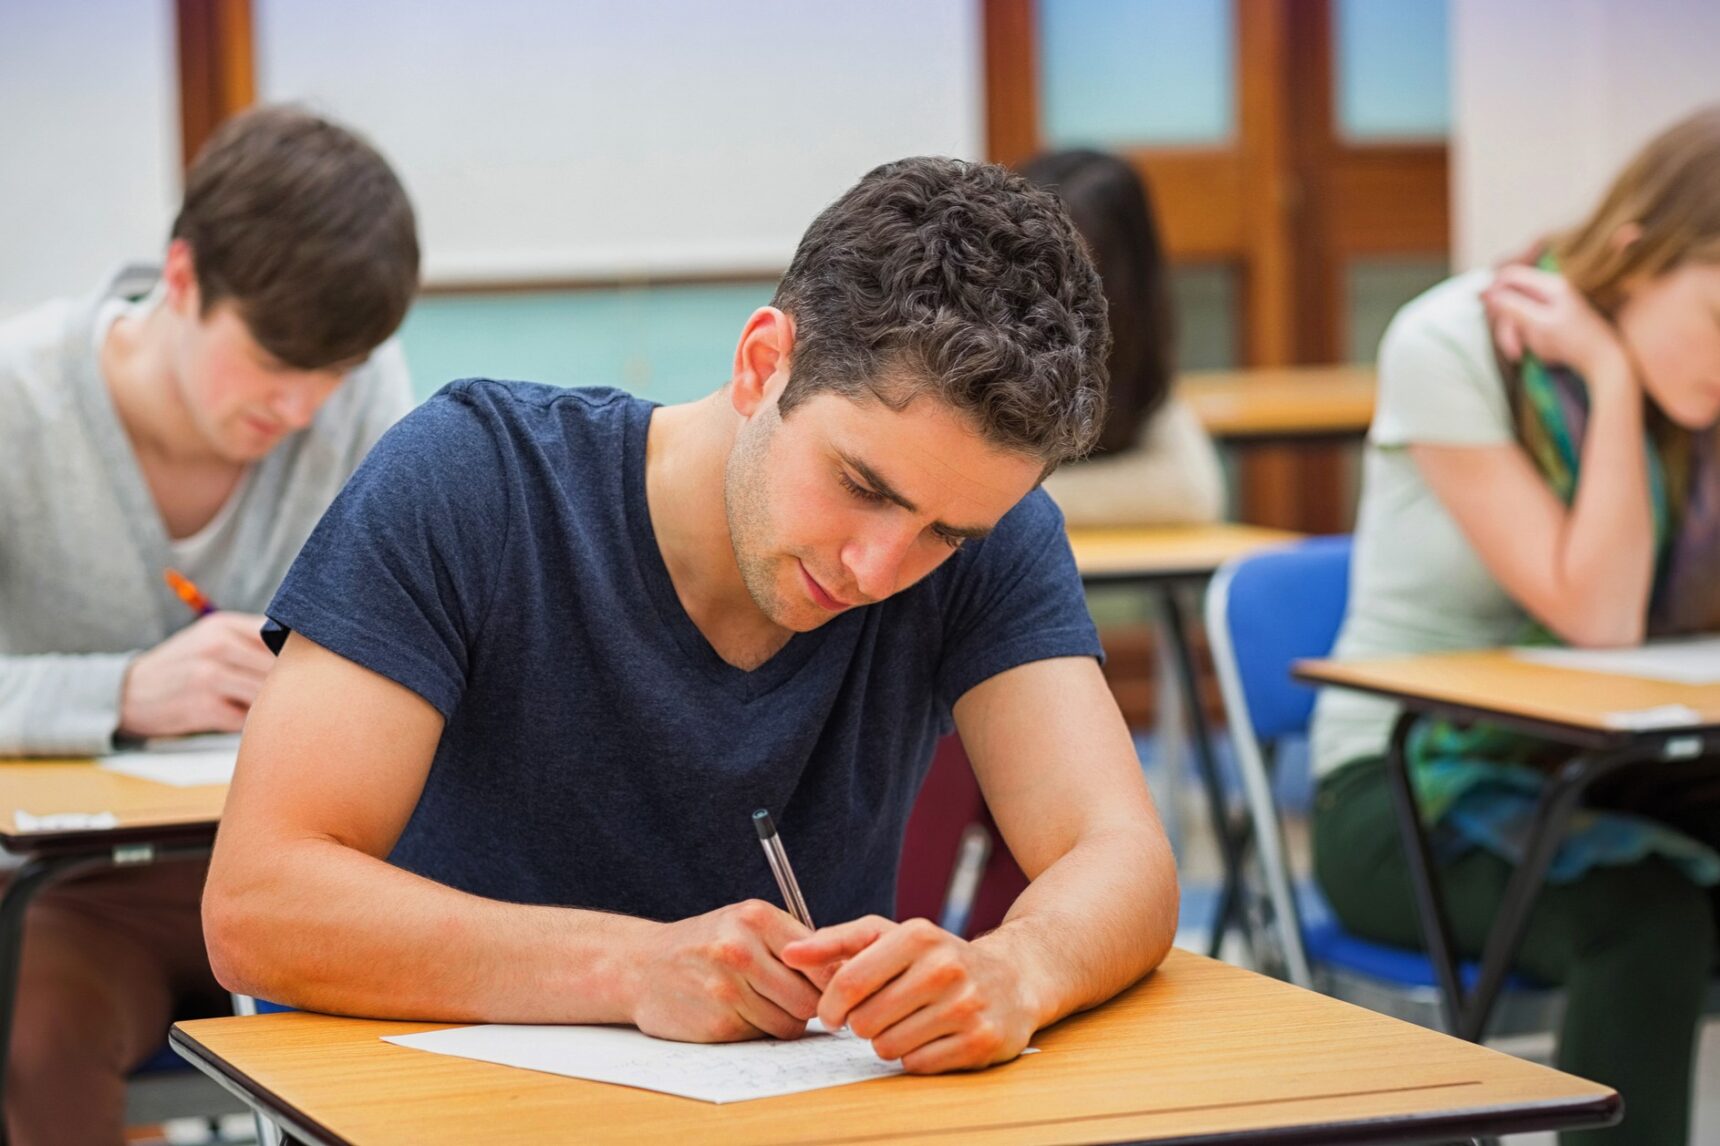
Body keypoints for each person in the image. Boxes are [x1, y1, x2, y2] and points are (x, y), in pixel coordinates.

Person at [203, 156, 1179, 1073]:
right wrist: (628, 970)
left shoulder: (990, 541)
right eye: (860, 485)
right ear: (763, 364)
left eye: (943, 534)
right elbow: (259, 904)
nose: (880, 567)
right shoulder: (473, 480)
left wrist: (1016, 969)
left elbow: (1120, 856)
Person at [0, 105, 418, 1143]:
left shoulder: (363, 397)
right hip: (92, 893)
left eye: (336, 372)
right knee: (36, 1037)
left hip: (327, 870)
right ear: (180, 280)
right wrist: (121, 692)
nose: (306, 407)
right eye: (276, 360)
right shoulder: (19, 404)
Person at [1311, 106, 1720, 1146]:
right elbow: (1599, 614)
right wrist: (1614, 382)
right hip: (1404, 792)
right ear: (1634, 257)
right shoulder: (1452, 343)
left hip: (1606, 767)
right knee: (1645, 921)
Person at [1023, 149, 1224, 527]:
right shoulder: (975, 340)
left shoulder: (1130, 355)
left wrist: (1002, 501)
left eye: (1080, 267)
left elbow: (1191, 492)